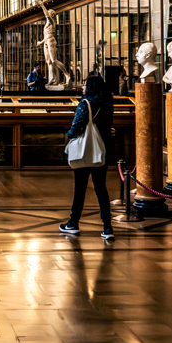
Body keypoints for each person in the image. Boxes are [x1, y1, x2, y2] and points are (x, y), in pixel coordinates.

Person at [60, 75, 114, 241]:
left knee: (80, 188)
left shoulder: (85, 103)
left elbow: (76, 125)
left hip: (85, 151)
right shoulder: (107, 103)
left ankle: (73, 223)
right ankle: (107, 227)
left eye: (85, 85)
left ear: (90, 87)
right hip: (102, 148)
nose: (82, 87)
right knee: (100, 187)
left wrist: (69, 135)